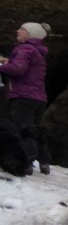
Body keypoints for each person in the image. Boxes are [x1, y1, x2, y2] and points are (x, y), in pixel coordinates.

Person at [0, 22, 52, 175]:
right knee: (34, 129)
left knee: (22, 130)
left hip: (23, 97)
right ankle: (44, 161)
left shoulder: (25, 49)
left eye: (22, 29)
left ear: (31, 34)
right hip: (38, 98)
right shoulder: (37, 51)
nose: (18, 31)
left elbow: (17, 69)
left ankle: (26, 163)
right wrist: (7, 62)